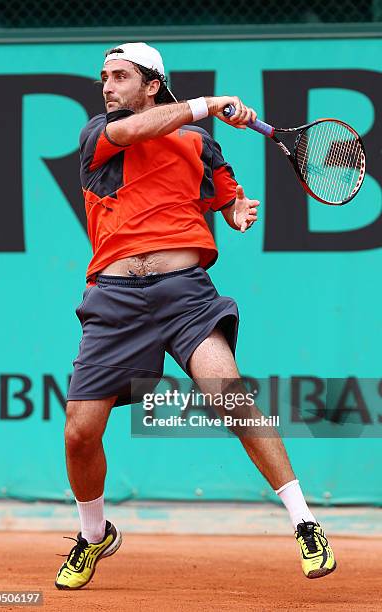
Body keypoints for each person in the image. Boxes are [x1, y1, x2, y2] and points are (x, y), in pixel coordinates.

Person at [55, 42, 336, 590]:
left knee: (230, 394)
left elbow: (226, 197)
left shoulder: (200, 143)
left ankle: (306, 522)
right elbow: (140, 131)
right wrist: (210, 102)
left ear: (152, 84)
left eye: (119, 76)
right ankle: (93, 537)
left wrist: (236, 210)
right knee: (79, 434)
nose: (107, 86)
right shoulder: (98, 134)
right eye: (103, 78)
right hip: (115, 301)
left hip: (184, 295)